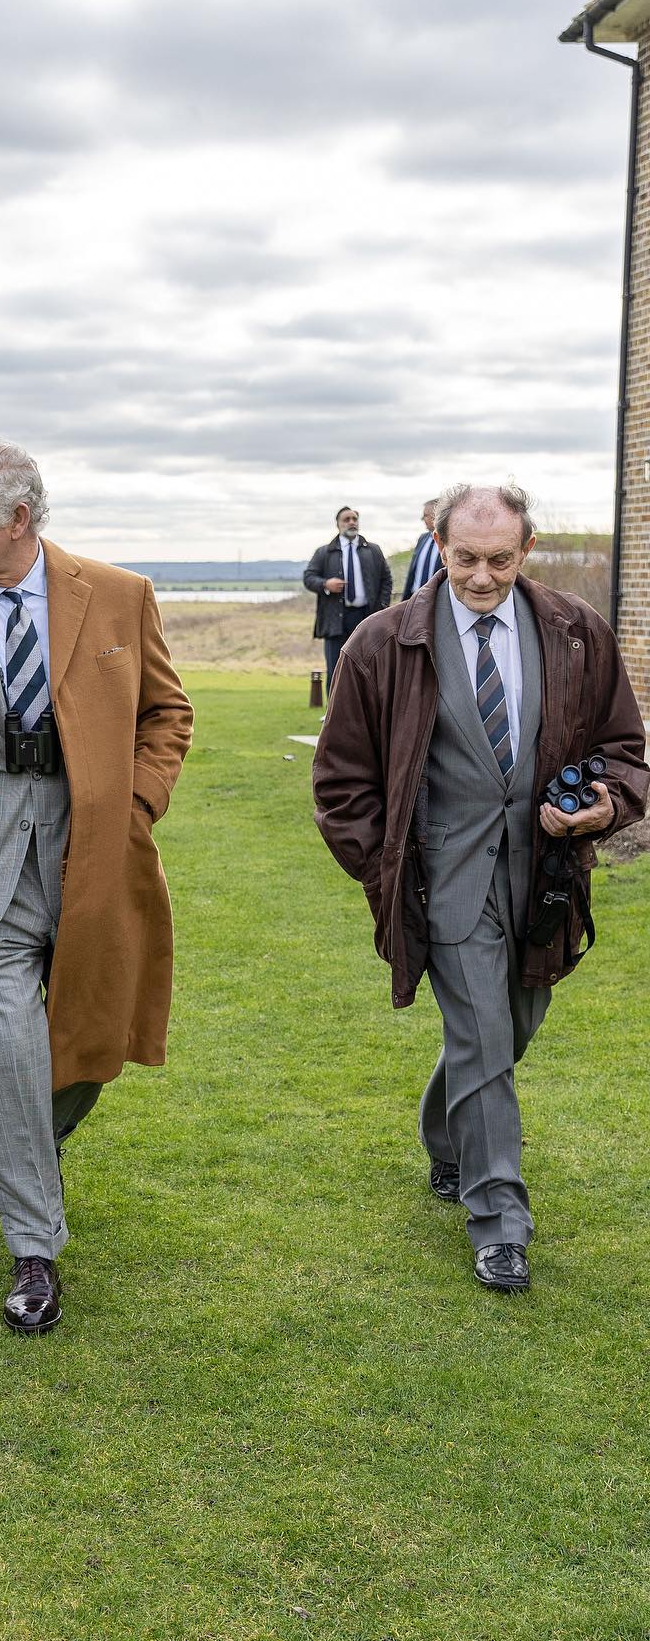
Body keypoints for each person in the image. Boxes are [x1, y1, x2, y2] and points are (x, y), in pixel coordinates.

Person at [0, 439, 193, 1333]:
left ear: (20, 518)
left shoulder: (121, 596)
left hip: (95, 838)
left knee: (96, 1025)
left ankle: (25, 1143)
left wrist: (135, 803)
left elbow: (169, 712)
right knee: (7, 1030)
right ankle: (34, 1250)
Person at [312, 482, 647, 1293]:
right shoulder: (381, 643)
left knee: (509, 1029)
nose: (483, 577)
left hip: (548, 879)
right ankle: (500, 1221)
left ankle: (445, 1138)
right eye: (466, 558)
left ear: (526, 550)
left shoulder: (577, 632)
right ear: (437, 542)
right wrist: (386, 869)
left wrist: (605, 807)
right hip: (444, 882)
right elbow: (340, 785)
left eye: (501, 559)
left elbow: (625, 751)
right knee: (485, 1039)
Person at [303, 506, 392, 688]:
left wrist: (382, 608)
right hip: (336, 619)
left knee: (369, 667)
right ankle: (334, 714)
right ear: (338, 524)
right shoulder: (325, 552)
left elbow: (386, 579)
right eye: (346, 519)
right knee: (336, 667)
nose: (351, 522)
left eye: (354, 519)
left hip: (367, 617)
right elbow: (308, 577)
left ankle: (367, 714)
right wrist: (326, 584)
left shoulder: (373, 550)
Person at [402, 499, 443, 598]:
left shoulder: (448, 541)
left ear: (436, 515)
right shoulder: (422, 538)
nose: (422, 519)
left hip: (436, 600)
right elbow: (413, 572)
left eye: (425, 515)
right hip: (415, 597)